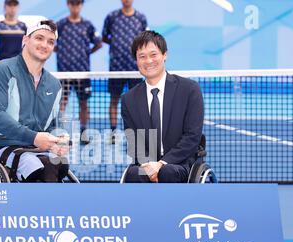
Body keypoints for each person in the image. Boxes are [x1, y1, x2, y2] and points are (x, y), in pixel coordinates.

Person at [0, 18, 70, 183]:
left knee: (59, 164)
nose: (44, 45)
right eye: (39, 38)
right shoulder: (0, 71)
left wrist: (59, 138)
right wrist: (33, 137)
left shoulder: (54, 85)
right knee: (37, 167)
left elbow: (53, 123)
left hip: (33, 147)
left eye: (50, 41)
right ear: (25, 40)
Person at [121, 31, 204, 183]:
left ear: (164, 55)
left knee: (168, 172)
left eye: (154, 54)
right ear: (136, 61)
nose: (149, 61)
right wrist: (149, 167)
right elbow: (134, 142)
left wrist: (160, 164)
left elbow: (192, 137)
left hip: (180, 163)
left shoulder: (190, 89)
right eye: (142, 56)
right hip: (146, 164)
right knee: (134, 174)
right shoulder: (129, 99)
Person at [55, 0, 102, 145]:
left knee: (83, 103)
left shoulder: (87, 25)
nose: (75, 6)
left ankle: (83, 132)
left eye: (78, 3)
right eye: (72, 3)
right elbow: (51, 42)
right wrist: (62, 53)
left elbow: (98, 43)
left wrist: (86, 53)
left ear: (81, 6)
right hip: (64, 73)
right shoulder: (60, 25)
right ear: (68, 5)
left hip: (83, 73)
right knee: (62, 103)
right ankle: (61, 134)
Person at [102, 0, 147, 143]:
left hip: (135, 68)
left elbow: (144, 40)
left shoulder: (140, 18)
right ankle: (114, 131)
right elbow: (105, 37)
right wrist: (117, 46)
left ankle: (135, 133)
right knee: (114, 100)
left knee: (137, 102)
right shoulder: (112, 17)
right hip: (116, 67)